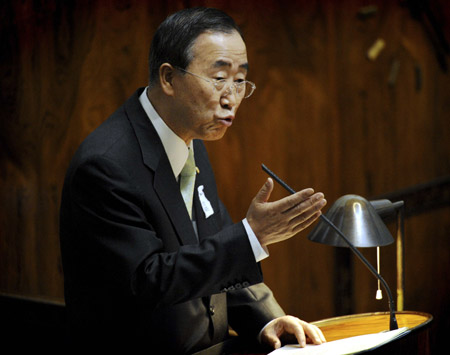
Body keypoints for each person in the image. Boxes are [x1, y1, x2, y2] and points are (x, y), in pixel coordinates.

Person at [59, 7, 327, 354]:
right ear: (169, 78)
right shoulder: (105, 166)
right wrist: (251, 237)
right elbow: (148, 280)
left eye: (240, 80)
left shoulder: (191, 143)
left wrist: (265, 320)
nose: (232, 97)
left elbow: (212, 250)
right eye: (219, 78)